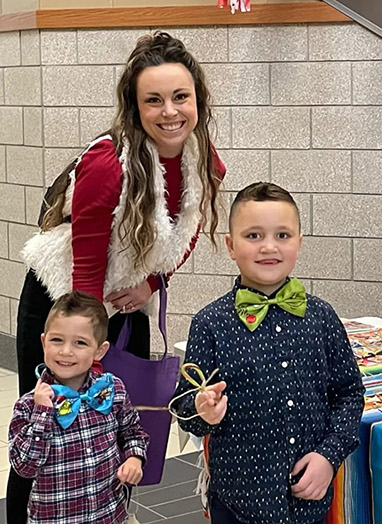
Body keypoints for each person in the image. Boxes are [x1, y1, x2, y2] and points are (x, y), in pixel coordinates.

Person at [10, 31, 225, 520]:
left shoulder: (201, 161)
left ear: (197, 99)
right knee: (49, 428)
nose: (169, 111)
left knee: (111, 429)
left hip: (125, 303)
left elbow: (185, 234)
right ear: (135, 106)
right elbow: (86, 266)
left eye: (180, 97)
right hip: (64, 302)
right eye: (154, 100)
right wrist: (85, 356)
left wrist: (150, 284)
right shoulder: (109, 164)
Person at [173, 183, 365, 523]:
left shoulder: (322, 318)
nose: (269, 247)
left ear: (299, 243)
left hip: (309, 502)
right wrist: (202, 410)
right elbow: (184, 406)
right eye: (253, 236)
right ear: (231, 246)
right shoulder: (209, 324)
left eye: (282, 235)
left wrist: (328, 456)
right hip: (238, 504)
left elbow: (349, 393)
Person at [9, 292, 149, 523]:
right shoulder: (28, 406)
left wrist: (134, 457)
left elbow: (133, 432)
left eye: (80, 343)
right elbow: (24, 467)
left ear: (99, 350)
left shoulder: (112, 390)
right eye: (57, 340)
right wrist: (43, 414)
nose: (65, 351)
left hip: (109, 516)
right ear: (43, 342)